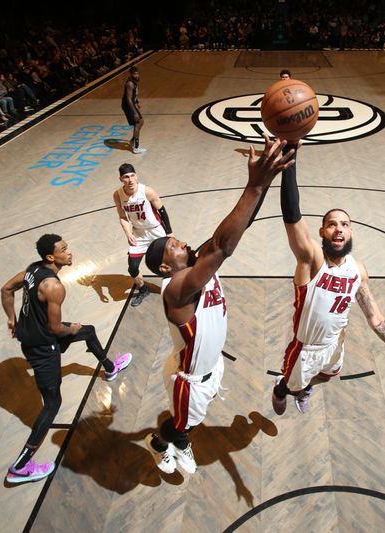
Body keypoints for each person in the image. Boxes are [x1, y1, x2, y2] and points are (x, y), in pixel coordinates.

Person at [141, 135, 294, 475]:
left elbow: (239, 228)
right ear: (166, 267)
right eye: (173, 247)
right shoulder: (177, 288)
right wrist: (253, 185)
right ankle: (159, 443)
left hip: (210, 368)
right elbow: (223, 247)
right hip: (189, 379)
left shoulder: (195, 264)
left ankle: (181, 440)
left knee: (192, 421)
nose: (181, 243)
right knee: (180, 424)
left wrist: (265, 179)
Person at [270, 145, 385, 416]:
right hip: (304, 349)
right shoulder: (312, 261)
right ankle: (282, 389)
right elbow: (292, 215)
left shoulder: (358, 270)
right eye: (331, 224)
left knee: (328, 376)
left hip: (335, 344)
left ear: (351, 231)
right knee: (291, 385)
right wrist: (290, 160)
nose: (338, 228)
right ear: (322, 232)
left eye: (344, 224)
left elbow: (378, 320)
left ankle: (305, 388)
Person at [0, 234, 133, 484]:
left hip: (32, 337)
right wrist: (71, 329)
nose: (69, 252)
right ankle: (20, 465)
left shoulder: (32, 270)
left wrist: (12, 319)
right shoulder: (53, 286)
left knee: (89, 331)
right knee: (52, 404)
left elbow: (6, 289)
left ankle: (110, 368)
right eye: (64, 249)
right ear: (51, 257)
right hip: (43, 346)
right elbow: (55, 328)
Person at [112, 163, 173, 307]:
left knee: (168, 262)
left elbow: (162, 210)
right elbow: (122, 216)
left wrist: (169, 232)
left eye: (133, 175)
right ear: (121, 179)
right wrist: (128, 233)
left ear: (136, 176)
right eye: (126, 177)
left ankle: (175, 288)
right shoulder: (117, 195)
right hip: (138, 233)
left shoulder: (147, 191)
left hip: (156, 230)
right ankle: (143, 289)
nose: (130, 180)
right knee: (132, 267)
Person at [122, 66, 145, 154]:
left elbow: (134, 95)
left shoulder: (135, 81)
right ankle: (136, 147)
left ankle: (132, 140)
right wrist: (135, 112)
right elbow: (128, 99)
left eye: (137, 73)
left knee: (141, 122)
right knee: (138, 122)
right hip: (128, 105)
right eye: (135, 74)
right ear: (131, 74)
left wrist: (137, 101)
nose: (137, 75)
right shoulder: (130, 84)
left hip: (131, 103)